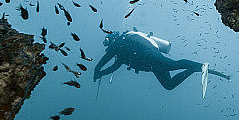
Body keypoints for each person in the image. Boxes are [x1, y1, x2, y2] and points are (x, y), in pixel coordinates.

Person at [93, 30, 230, 91]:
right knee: (168, 85)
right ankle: (193, 69)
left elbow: (105, 59)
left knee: (171, 65)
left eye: (107, 42)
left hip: (149, 55)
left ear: (112, 39)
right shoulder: (121, 54)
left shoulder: (120, 43)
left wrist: (96, 70)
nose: (107, 46)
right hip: (151, 65)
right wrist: (101, 73)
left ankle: (200, 66)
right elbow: (114, 67)